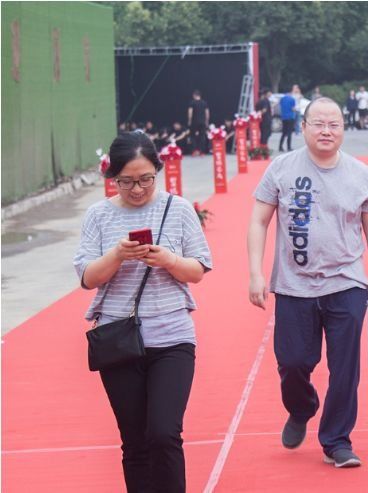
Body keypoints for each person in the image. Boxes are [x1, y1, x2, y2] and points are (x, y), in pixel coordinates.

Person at [247, 97, 368, 469]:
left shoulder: (360, 172)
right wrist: (256, 273)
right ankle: (301, 408)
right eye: (319, 124)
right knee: (294, 363)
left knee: (345, 367)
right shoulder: (282, 168)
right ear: (303, 126)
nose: (326, 131)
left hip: (346, 283)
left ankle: (337, 440)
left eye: (334, 124)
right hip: (294, 286)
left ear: (344, 128)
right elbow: (259, 221)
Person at [73, 131, 212, 492]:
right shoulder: (98, 215)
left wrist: (167, 259)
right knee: (134, 441)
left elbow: (198, 270)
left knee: (165, 434)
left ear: (158, 170)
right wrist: (117, 256)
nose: (137, 189)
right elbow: (88, 278)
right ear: (113, 177)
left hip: (173, 338)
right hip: (119, 341)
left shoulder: (178, 209)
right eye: (127, 181)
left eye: (146, 179)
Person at [187, 90, 209, 156]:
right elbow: (207, 113)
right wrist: (207, 121)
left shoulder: (192, 103)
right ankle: (202, 151)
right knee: (202, 136)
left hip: (194, 122)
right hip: (202, 122)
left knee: (193, 136)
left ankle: (194, 151)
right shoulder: (204, 103)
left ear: (194, 95)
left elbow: (190, 113)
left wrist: (189, 121)